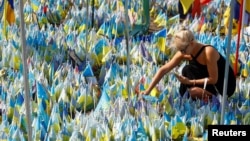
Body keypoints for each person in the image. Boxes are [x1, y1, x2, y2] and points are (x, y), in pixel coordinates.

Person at [140, 27, 236, 102]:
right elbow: (164, 69)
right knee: (186, 70)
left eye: (183, 50)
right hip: (207, 78)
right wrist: (148, 90)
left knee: (192, 92)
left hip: (223, 85)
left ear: (191, 44)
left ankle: (217, 99)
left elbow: (213, 79)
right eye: (180, 50)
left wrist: (190, 82)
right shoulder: (186, 52)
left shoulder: (208, 52)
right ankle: (202, 95)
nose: (182, 53)